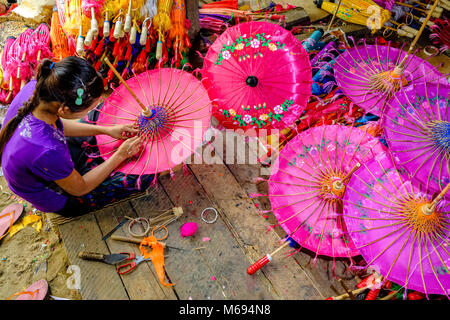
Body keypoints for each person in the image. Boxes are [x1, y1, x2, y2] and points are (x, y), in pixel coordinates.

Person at [0, 57, 152, 217]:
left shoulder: (39, 89)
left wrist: (107, 130)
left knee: (100, 114)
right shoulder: (46, 150)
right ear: (64, 110)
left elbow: (57, 125)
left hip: (47, 157)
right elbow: (80, 188)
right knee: (141, 175)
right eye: (86, 108)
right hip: (61, 194)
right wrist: (120, 155)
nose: (88, 110)